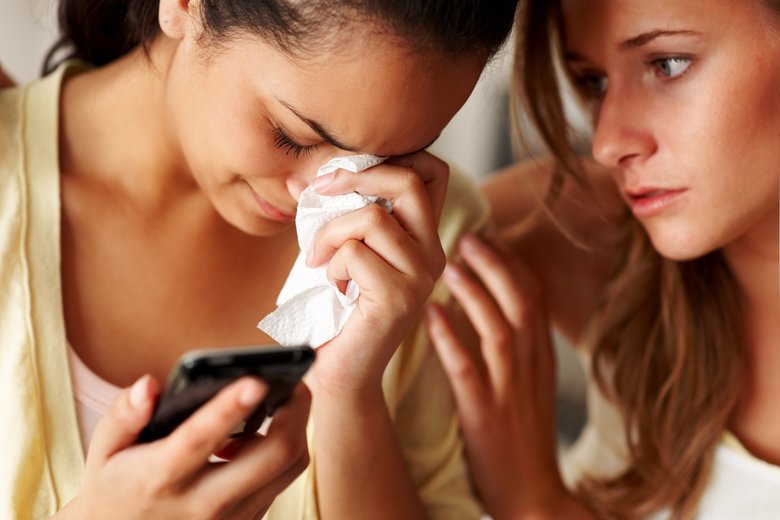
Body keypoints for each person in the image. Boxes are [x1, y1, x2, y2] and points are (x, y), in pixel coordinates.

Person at [0, 0, 518, 518]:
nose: (312, 196)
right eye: (292, 137)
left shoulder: (421, 243)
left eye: (382, 160)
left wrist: (348, 394)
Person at [425, 0, 780, 518]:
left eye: (668, 64)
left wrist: (534, 502)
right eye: (593, 82)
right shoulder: (598, 232)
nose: (609, 141)